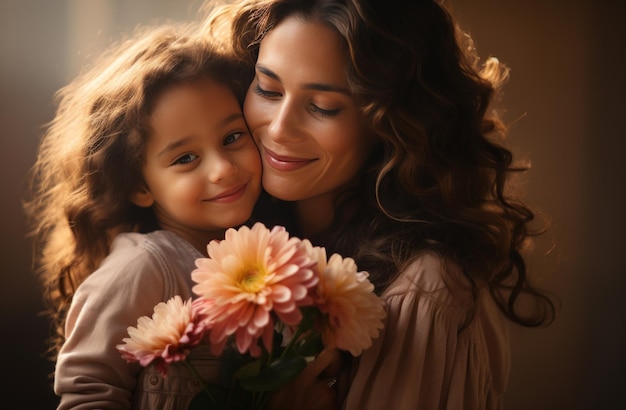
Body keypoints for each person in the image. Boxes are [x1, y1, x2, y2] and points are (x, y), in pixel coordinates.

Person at [200, 0, 557, 408]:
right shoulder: (235, 228)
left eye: (323, 107)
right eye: (267, 89)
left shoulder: (423, 290)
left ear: (390, 123)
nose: (279, 128)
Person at [23, 20, 261, 409]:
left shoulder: (268, 251)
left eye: (232, 137)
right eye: (186, 158)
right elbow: (86, 394)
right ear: (139, 186)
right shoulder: (142, 269)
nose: (222, 168)